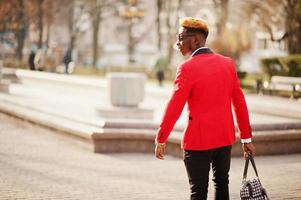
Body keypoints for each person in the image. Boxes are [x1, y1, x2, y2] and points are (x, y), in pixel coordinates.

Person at [154, 17, 256, 200]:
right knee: (222, 184)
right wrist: (246, 138)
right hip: (224, 138)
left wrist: (161, 138)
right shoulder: (227, 63)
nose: (177, 43)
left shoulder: (187, 68)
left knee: (198, 191)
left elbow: (174, 106)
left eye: (180, 37)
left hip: (198, 141)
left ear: (195, 40)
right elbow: (239, 102)